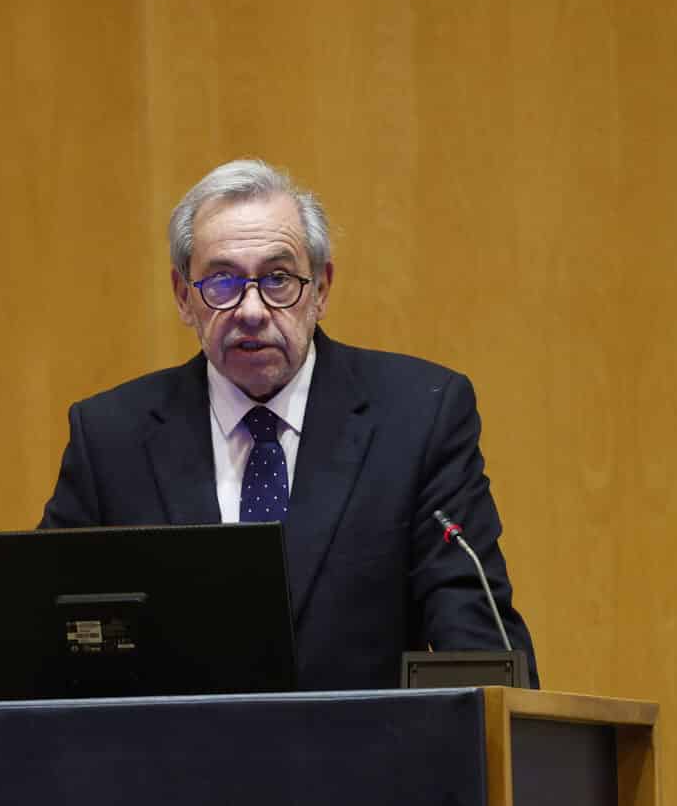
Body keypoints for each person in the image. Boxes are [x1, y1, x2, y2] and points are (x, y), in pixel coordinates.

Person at [39, 158, 534, 690]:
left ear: (320, 289)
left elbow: (476, 636)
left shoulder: (417, 419)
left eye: (278, 279)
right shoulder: (113, 436)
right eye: (222, 282)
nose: (251, 309)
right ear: (184, 297)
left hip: (363, 765)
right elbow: (42, 633)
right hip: (172, 764)